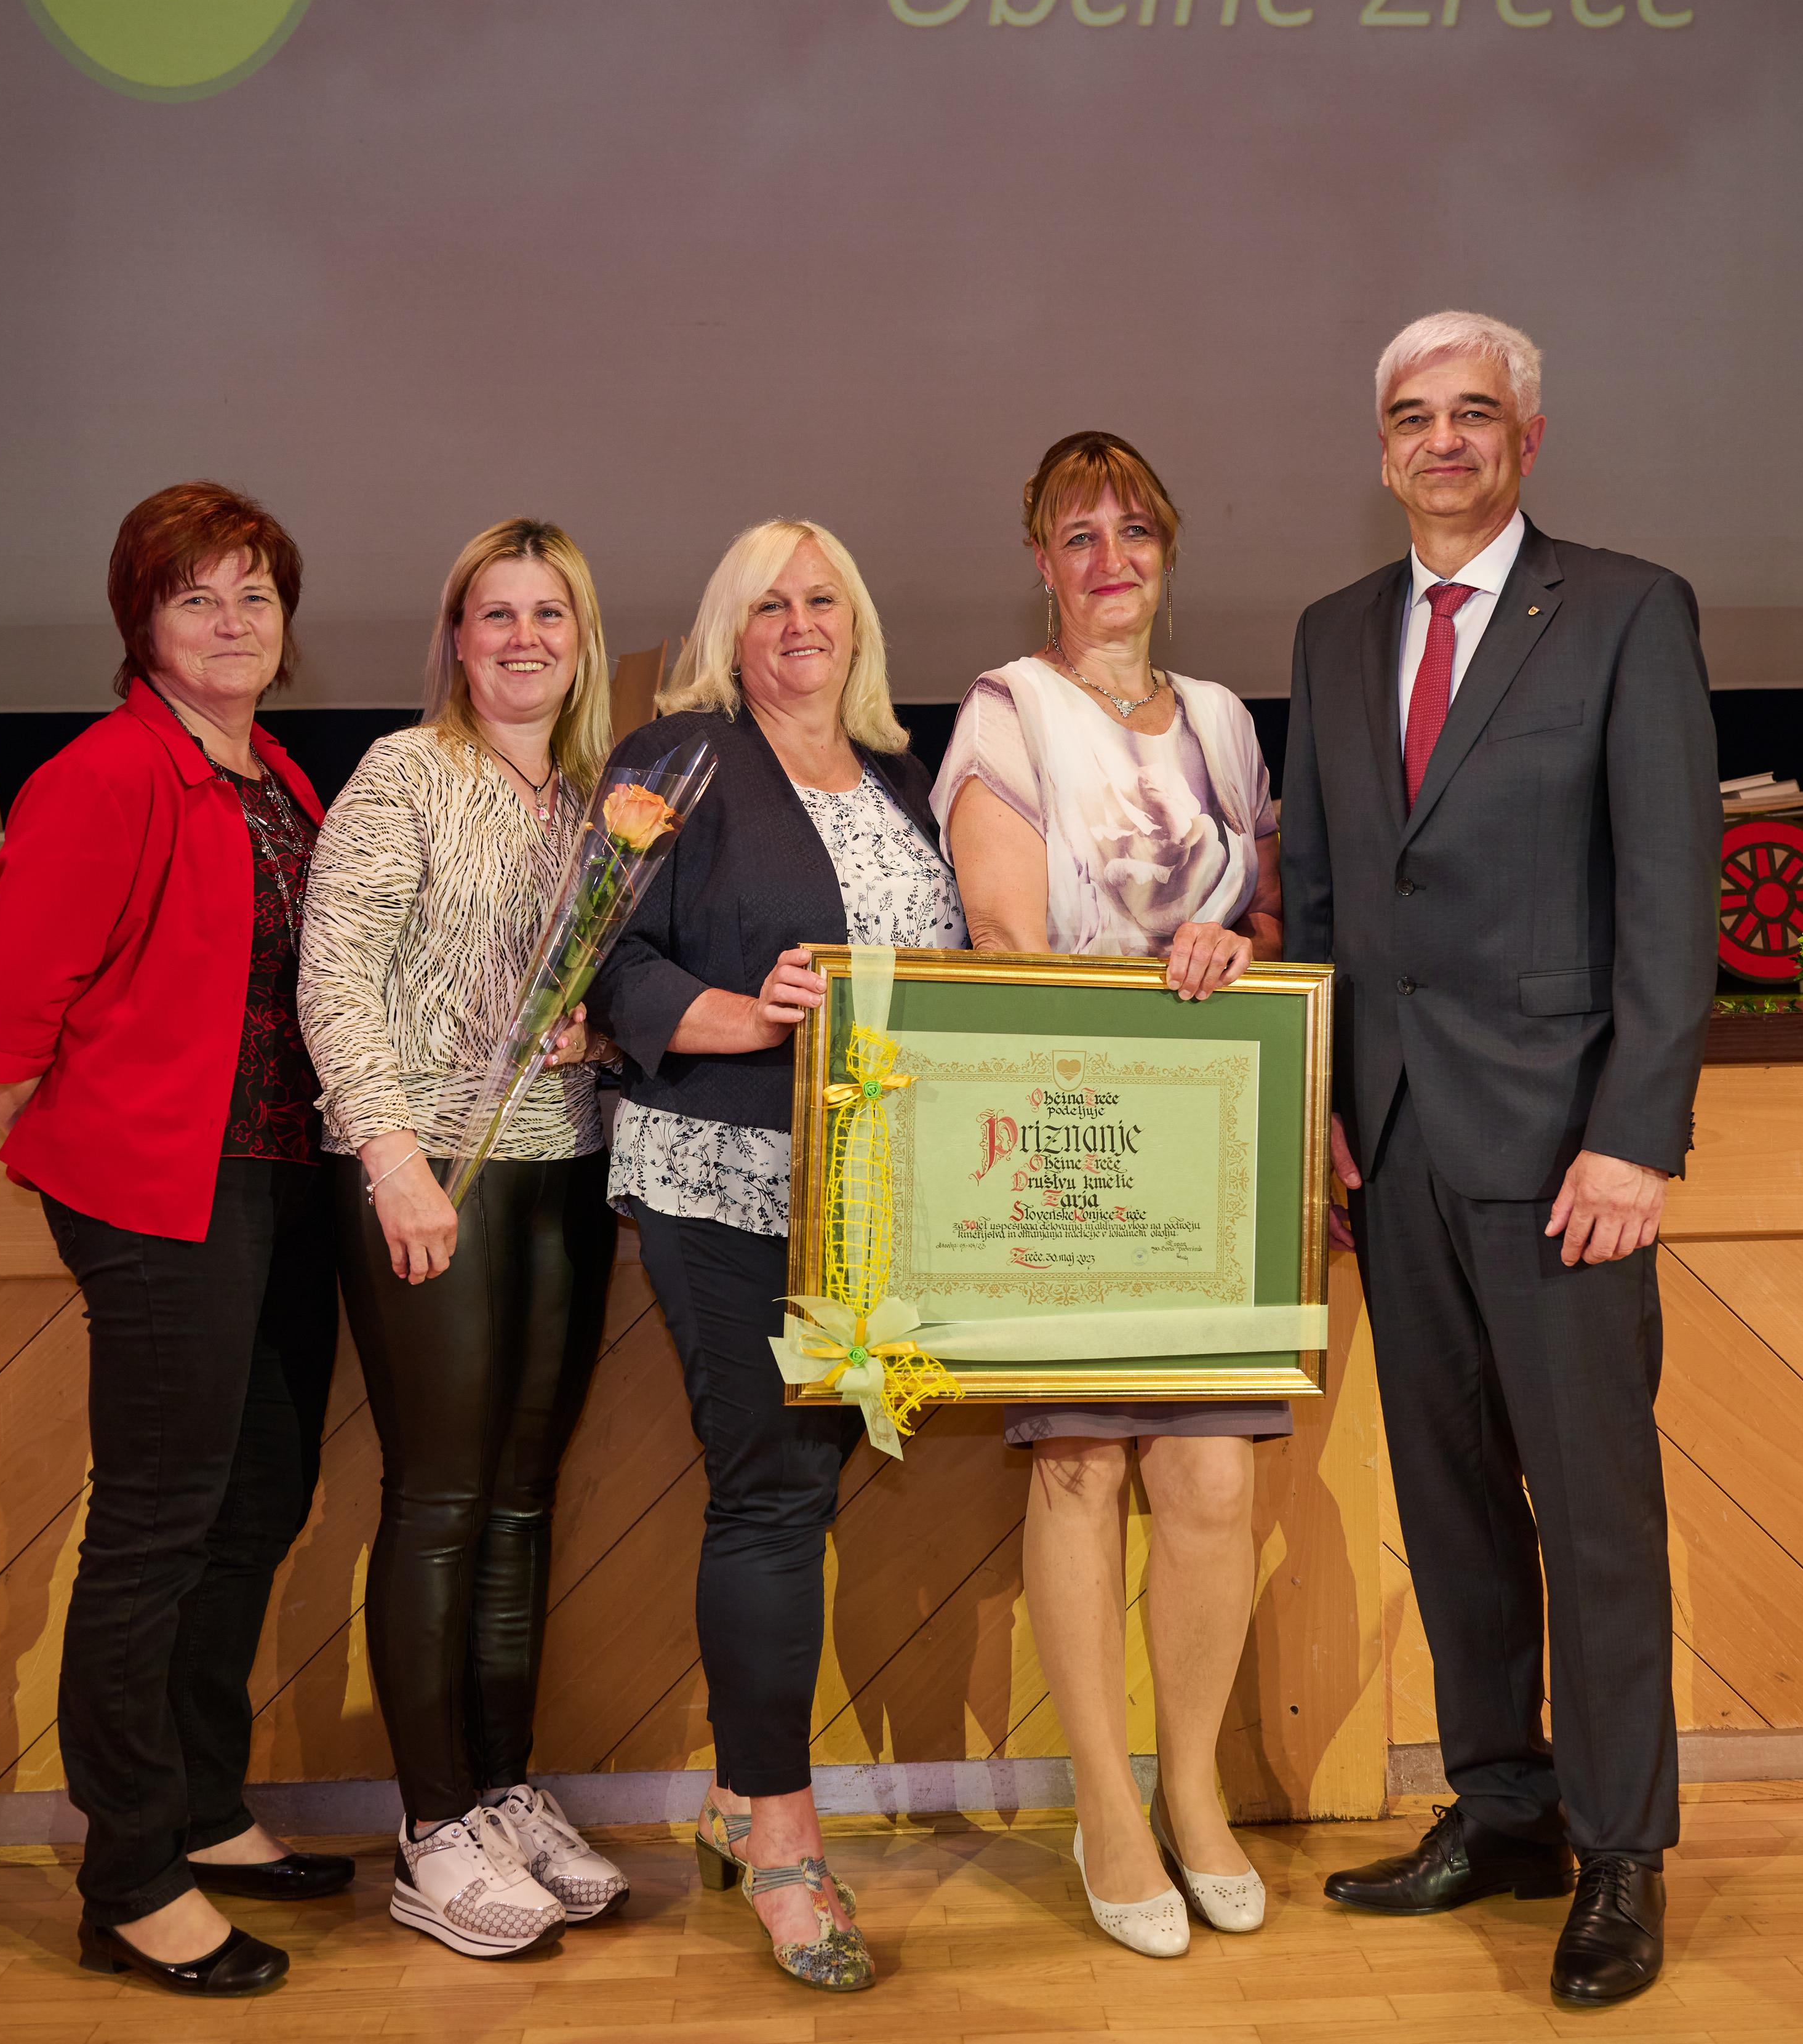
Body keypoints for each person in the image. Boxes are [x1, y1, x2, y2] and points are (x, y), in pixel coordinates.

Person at [1280, 313, 1717, 2007]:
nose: (1442, 440)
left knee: (1593, 1516)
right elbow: (1323, 889)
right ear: (1380, 446)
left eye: (1475, 413)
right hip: (1392, 1149)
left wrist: (1633, 1137)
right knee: (1450, 1504)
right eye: (1412, 415)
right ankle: (1505, 1809)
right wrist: (1322, 1094)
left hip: (1562, 1160)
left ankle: (1620, 1855)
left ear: (1529, 438)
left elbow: (1669, 898)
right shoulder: (1330, 634)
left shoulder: (1623, 610)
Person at [0, 482, 353, 2000]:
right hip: (161, 1195)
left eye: (256, 594)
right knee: (157, 1523)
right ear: (143, 622)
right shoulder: (108, 771)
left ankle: (198, 1806)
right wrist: (81, 1153)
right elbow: (4, 1008)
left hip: (276, 1182)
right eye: (198, 597)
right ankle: (128, 1880)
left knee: (258, 1498)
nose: (233, 621)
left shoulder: (274, 775)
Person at [589, 519, 963, 1994]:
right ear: (725, 630)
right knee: (772, 1497)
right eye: (767, 604)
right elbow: (604, 958)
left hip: (880, 1197)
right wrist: (750, 1015)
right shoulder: (672, 758)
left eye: (822, 598)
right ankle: (788, 1848)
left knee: (804, 1487)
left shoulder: (901, 778)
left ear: (856, 622)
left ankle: (737, 1796)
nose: (798, 622)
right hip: (728, 1179)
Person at [933, 431, 1284, 1959]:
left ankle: (1189, 1788)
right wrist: (1152, 983)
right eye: (1077, 535)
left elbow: (1271, 915)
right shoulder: (1006, 712)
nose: (1109, 559)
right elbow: (1007, 942)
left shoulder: (1222, 720)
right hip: (1069, 1139)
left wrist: (1238, 943)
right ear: (1041, 561)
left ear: (1167, 549)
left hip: (1211, 1145)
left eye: (1133, 530)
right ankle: (1103, 1804)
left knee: (1211, 1475)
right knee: (1080, 1463)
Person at [298, 519, 631, 1958]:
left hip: (564, 1167)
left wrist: (599, 1031)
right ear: (456, 636)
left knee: (518, 1501)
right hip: (429, 1170)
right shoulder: (403, 774)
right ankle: (431, 1830)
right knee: (440, 1497)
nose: (522, 638)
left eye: (548, 613)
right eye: (495, 614)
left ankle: (499, 1794)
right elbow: (334, 978)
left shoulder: (599, 808)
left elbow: (609, 992)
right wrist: (391, 1160)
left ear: (580, 638)